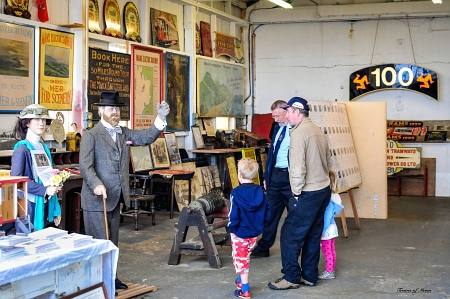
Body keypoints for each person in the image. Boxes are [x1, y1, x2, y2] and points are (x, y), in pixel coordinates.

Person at [79, 91, 170, 291]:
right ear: (101, 111)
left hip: (116, 196)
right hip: (96, 200)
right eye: (111, 109)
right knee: (100, 242)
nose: (115, 112)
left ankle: (111, 277)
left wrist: (160, 118)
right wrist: (96, 184)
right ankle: (97, 282)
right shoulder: (91, 136)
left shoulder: (123, 132)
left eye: (118, 109)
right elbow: (85, 167)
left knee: (113, 241)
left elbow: (146, 137)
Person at [268, 97, 332, 290]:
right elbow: (329, 162)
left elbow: (296, 167)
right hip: (323, 190)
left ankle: (291, 277)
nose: (286, 115)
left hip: (308, 192)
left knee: (289, 234)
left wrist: (296, 193)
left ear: (297, 112)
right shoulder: (317, 130)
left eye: (288, 111)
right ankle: (310, 276)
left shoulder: (298, 133)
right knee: (312, 234)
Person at [11, 104, 61, 231]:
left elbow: (47, 173)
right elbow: (17, 181)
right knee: (27, 244)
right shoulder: (22, 149)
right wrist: (44, 190)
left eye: (44, 120)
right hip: (26, 204)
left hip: (42, 202)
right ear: (27, 123)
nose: (41, 123)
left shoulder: (44, 148)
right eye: (37, 119)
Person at [251, 100, 291, 258]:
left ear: (286, 113)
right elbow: (272, 153)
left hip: (290, 177)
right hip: (275, 177)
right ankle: (264, 247)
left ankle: (295, 246)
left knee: (293, 215)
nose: (275, 119)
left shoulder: (297, 129)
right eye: (273, 116)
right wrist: (267, 176)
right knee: (270, 214)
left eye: (277, 116)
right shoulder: (277, 127)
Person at [228, 158, 271, 299]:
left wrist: (232, 228)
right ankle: (240, 281)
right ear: (255, 175)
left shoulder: (236, 193)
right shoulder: (261, 192)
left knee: (242, 260)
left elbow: (233, 214)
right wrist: (262, 224)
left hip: (240, 232)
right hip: (255, 232)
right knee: (244, 255)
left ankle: (244, 290)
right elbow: (268, 211)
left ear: (239, 175)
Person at [319, 170, 344, 280]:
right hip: (332, 227)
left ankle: (329, 271)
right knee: (331, 249)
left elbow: (326, 217)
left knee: (327, 250)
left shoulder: (328, 199)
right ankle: (331, 269)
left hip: (327, 228)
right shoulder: (336, 196)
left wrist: (322, 231)